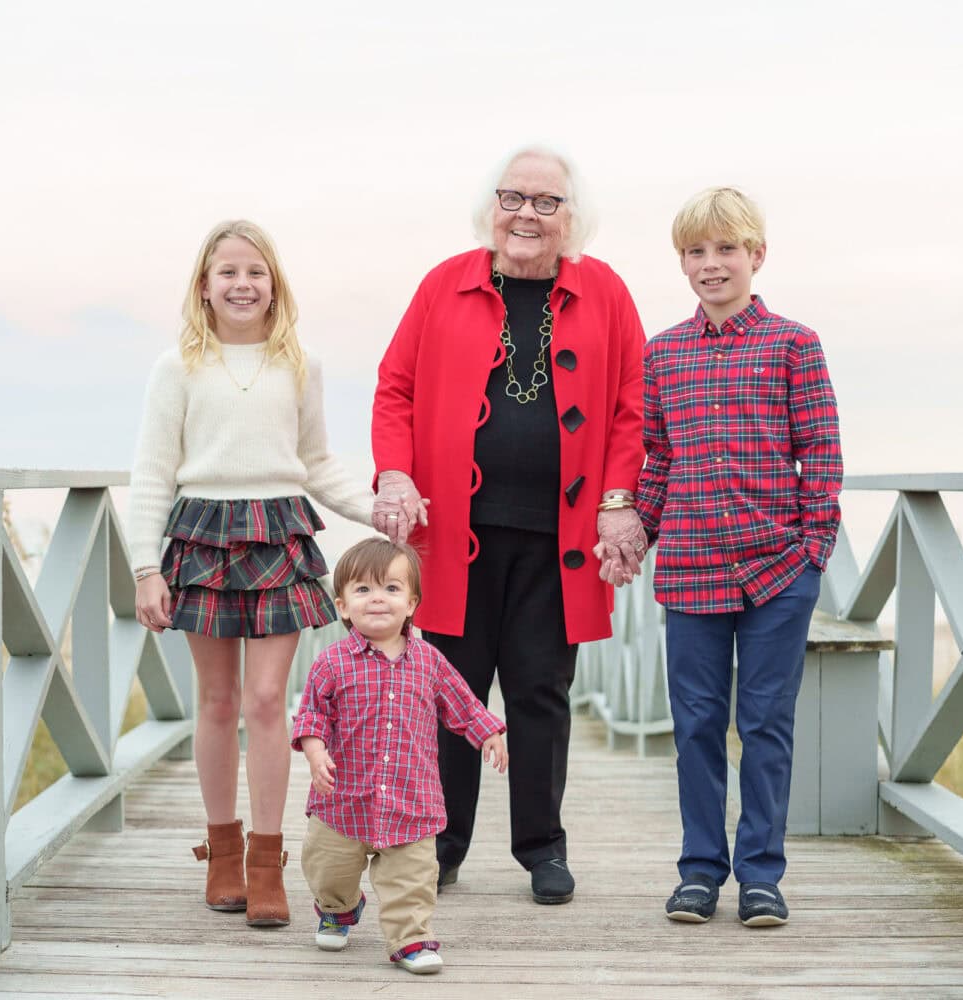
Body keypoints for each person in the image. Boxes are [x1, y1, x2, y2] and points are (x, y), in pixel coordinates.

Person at [370, 145, 646, 904]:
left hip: (559, 542)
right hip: (457, 534)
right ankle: (444, 844)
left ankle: (541, 848)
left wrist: (620, 501)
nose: (527, 213)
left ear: (570, 218)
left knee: (539, 693)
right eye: (514, 197)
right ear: (492, 207)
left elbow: (631, 408)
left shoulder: (607, 292)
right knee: (451, 693)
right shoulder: (443, 285)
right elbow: (394, 390)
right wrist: (395, 472)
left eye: (546, 202)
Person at [128, 219, 374, 928]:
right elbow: (151, 472)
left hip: (277, 533)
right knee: (218, 701)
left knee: (269, 701)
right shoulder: (176, 367)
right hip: (202, 537)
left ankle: (269, 863)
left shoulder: (301, 364)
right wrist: (148, 568)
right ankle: (224, 852)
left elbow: (318, 461)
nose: (242, 284)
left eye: (255, 272)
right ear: (204, 286)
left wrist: (376, 510)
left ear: (275, 285)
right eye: (228, 272)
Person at [633, 187, 843, 927]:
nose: (712, 264)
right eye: (697, 252)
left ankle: (761, 874)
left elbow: (818, 449)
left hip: (778, 572)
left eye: (727, 249)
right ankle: (699, 871)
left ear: (757, 255)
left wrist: (815, 547)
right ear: (683, 262)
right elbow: (656, 460)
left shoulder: (794, 344)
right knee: (693, 725)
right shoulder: (660, 354)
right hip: (689, 567)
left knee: (764, 725)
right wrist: (636, 529)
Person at [291, 537, 507, 973]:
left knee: (412, 877)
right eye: (363, 590)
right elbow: (311, 716)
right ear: (343, 605)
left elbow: (462, 704)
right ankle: (339, 908)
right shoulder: (331, 663)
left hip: (411, 800)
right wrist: (316, 755)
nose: (378, 599)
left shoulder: (430, 662)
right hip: (342, 802)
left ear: (412, 603)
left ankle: (411, 939)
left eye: (391, 589)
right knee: (327, 868)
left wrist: (489, 733)